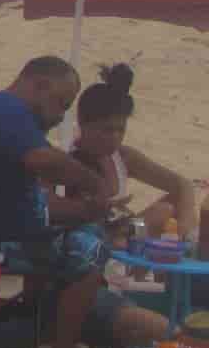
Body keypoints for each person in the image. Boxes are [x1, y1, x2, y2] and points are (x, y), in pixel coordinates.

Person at [0, 57, 169, 348]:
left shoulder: (5, 115)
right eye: (61, 104)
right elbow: (46, 161)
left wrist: (88, 210)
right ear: (39, 85)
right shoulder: (5, 109)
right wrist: (94, 183)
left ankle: (61, 330)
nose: (61, 116)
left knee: (88, 238)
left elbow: (37, 207)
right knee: (89, 252)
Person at [68, 64, 205, 252]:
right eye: (107, 130)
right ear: (83, 125)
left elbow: (183, 185)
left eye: (120, 130)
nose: (115, 137)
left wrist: (185, 228)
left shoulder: (123, 157)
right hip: (91, 241)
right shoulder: (68, 162)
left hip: (126, 233)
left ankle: (186, 252)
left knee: (170, 208)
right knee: (159, 214)